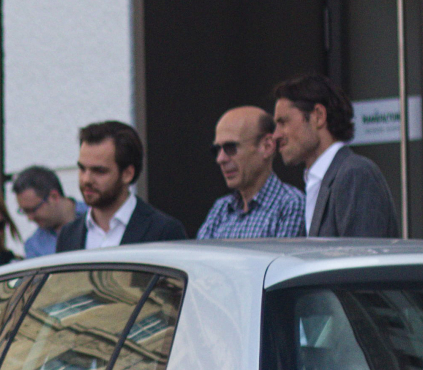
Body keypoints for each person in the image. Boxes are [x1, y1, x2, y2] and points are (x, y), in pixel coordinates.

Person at [272, 74, 400, 239]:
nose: (275, 135)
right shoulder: (321, 180)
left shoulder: (355, 174)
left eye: (283, 122)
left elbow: (361, 259)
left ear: (318, 116)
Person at [55, 120, 187, 250]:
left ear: (127, 174)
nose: (86, 179)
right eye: (82, 169)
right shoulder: (68, 235)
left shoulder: (164, 231)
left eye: (99, 171)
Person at [197, 105, 307, 239]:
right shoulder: (222, 208)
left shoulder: (290, 206)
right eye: (216, 150)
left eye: (230, 147)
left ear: (267, 146)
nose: (220, 159)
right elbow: (198, 259)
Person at [10, 166, 74, 258]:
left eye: (32, 209)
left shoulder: (95, 215)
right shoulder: (34, 246)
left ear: (54, 197)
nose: (30, 218)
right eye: (24, 211)